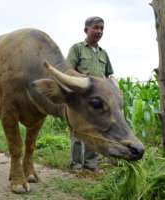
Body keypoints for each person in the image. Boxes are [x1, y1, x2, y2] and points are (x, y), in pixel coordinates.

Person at [66, 16, 114, 172]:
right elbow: (68, 70)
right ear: (86, 30)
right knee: (78, 131)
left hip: (98, 101)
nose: (99, 31)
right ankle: (76, 165)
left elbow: (109, 74)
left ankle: (91, 164)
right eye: (96, 27)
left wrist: (114, 87)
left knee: (95, 131)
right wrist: (86, 81)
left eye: (101, 28)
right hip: (81, 99)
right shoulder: (77, 48)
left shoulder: (103, 53)